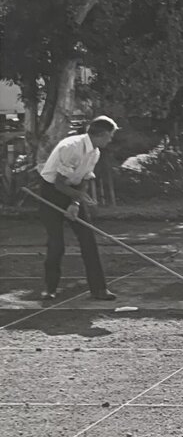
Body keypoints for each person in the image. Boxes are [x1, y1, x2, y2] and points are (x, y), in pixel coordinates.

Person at [36, 116, 119, 301]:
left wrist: (75, 203)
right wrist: (77, 197)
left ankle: (99, 289)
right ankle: (50, 289)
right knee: (56, 243)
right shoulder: (71, 146)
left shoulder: (95, 152)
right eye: (110, 136)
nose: (111, 140)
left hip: (71, 192)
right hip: (52, 192)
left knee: (88, 240)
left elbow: (83, 180)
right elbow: (58, 184)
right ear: (103, 134)